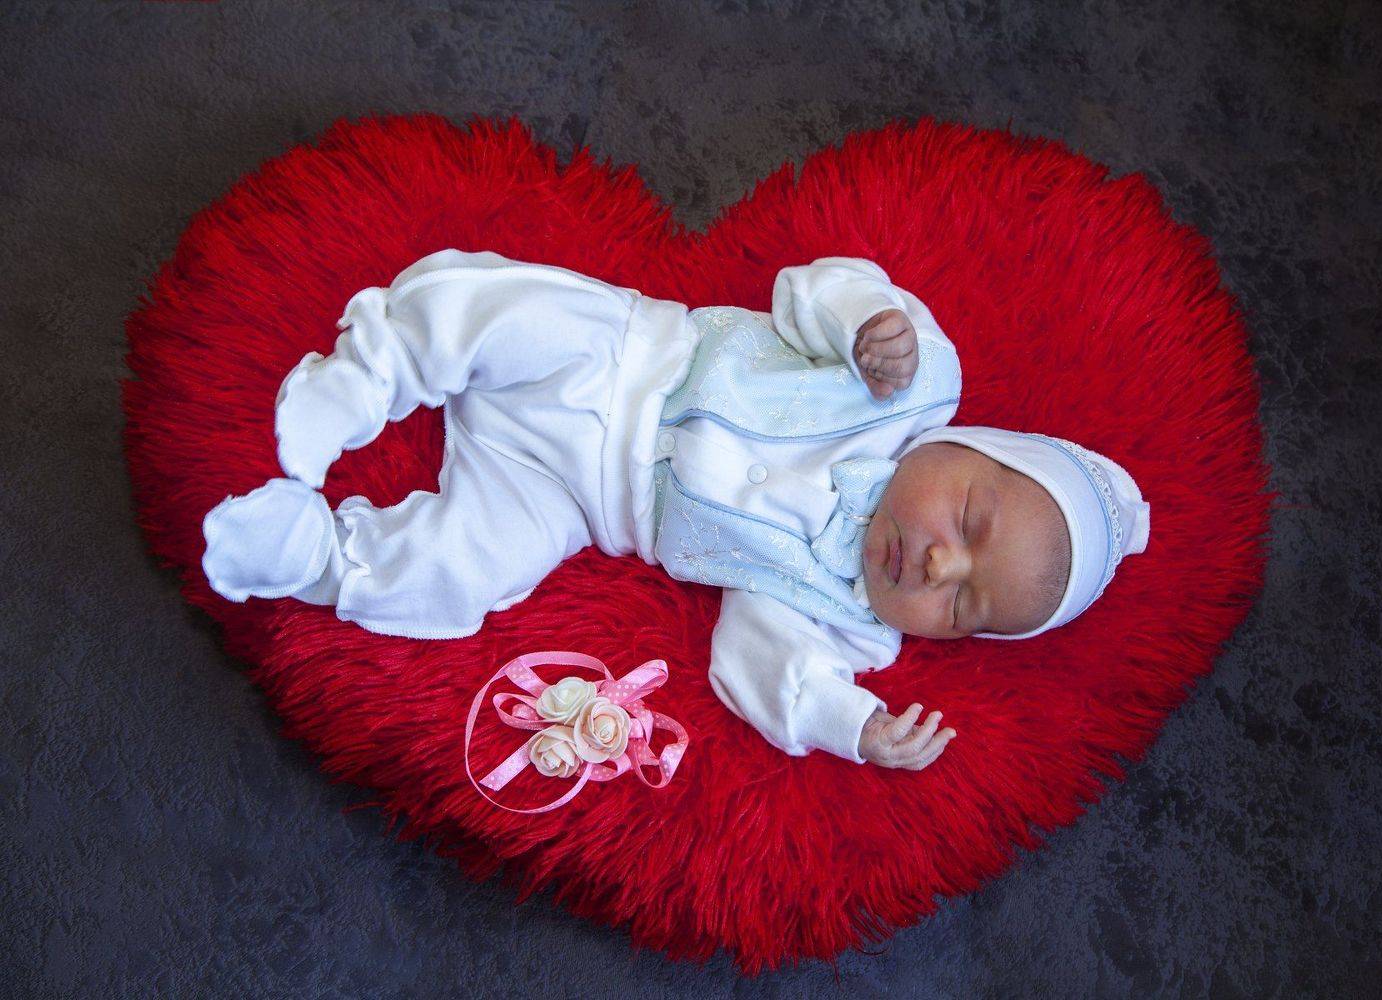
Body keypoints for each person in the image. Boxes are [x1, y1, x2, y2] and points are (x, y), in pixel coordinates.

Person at [201, 250, 1149, 770]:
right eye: (970, 524)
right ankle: (370, 371)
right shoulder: (908, 383)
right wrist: (865, 320)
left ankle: (317, 556)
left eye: (963, 606)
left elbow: (755, 666)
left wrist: (847, 721)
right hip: (627, 361)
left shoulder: (849, 617)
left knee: (466, 572)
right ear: (970, 445)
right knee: (499, 309)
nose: (940, 567)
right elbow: (809, 293)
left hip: (579, 499)